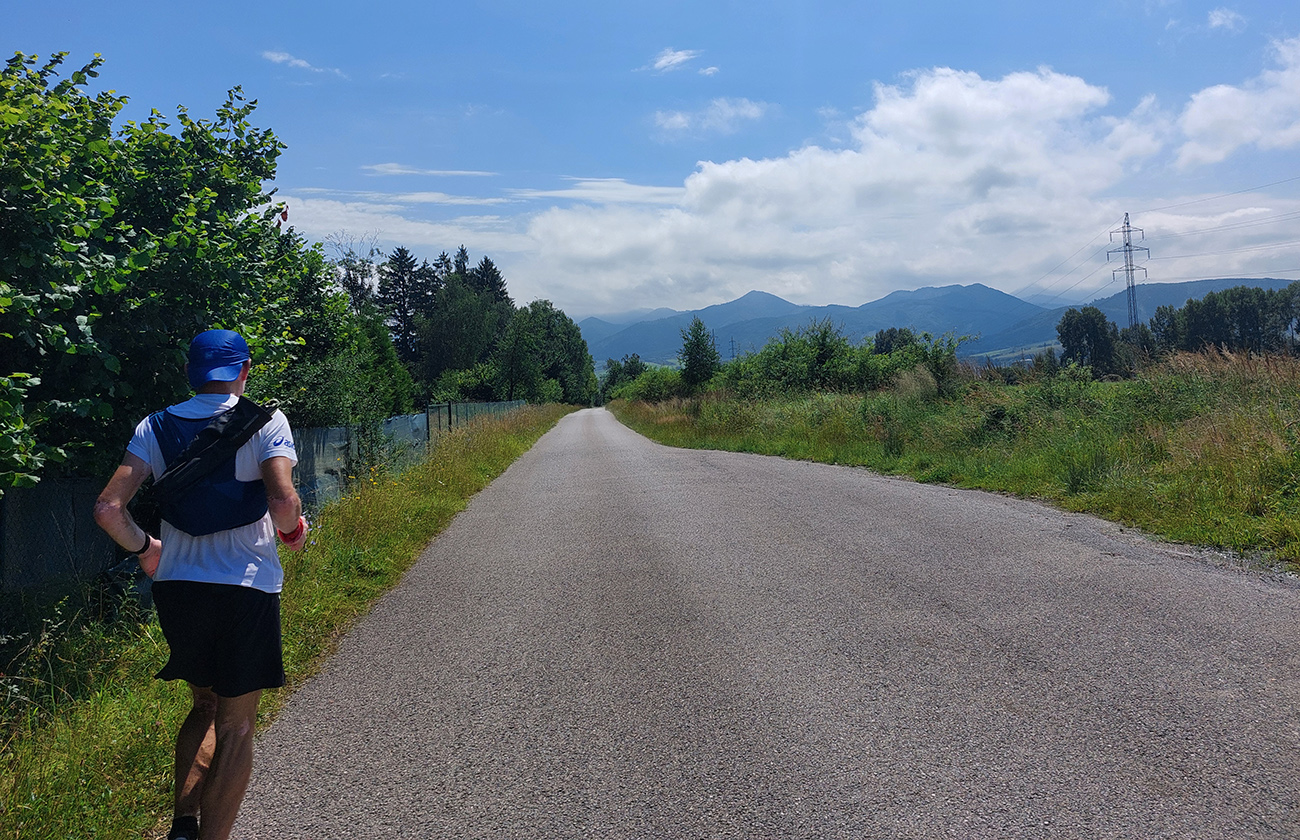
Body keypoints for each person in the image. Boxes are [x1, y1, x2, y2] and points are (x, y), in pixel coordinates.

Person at [94, 329, 308, 840]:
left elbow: (107, 509)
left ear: (190, 372)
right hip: (245, 588)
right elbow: (282, 501)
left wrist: (148, 550)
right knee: (236, 725)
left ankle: (183, 825)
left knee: (204, 705)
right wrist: (293, 533)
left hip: (179, 587)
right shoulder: (266, 420)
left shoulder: (153, 425)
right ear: (244, 369)